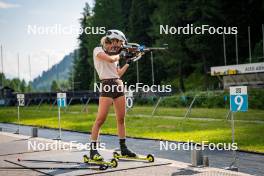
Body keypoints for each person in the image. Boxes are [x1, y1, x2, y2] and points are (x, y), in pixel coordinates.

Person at [90, 29, 136, 161]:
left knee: (121, 119)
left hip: (118, 84)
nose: (119, 46)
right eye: (118, 43)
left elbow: (118, 73)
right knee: (100, 119)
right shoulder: (97, 50)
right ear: (113, 40)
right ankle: (93, 150)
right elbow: (110, 60)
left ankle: (123, 148)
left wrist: (128, 62)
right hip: (107, 85)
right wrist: (121, 55)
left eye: (121, 44)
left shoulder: (116, 55)